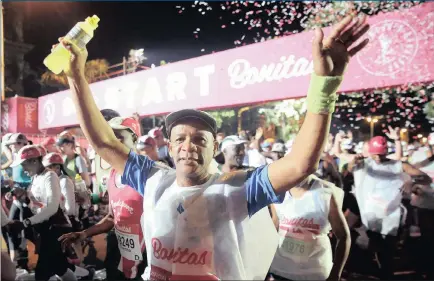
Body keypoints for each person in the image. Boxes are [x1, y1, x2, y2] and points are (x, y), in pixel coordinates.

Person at [57, 14, 369, 279]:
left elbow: (301, 164)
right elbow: (103, 141)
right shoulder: (154, 180)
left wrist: (324, 84)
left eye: (199, 139)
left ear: (214, 145)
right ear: (169, 144)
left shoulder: (236, 189)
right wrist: (74, 75)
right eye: (179, 138)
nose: (187, 146)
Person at [60, 117, 148, 281]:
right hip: (118, 247)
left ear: (134, 138)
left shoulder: (150, 173)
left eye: (119, 137)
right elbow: (113, 216)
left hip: (145, 255)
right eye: (109, 138)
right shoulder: (114, 174)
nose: (112, 143)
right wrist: (84, 233)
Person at [348, 136, 432, 279]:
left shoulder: (399, 165)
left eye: (381, 154)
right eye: (375, 154)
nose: (378, 157)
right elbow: (350, 169)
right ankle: (382, 271)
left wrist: (411, 181)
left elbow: (425, 178)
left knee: (388, 248)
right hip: (371, 215)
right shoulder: (364, 164)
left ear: (386, 152)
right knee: (375, 245)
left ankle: (387, 273)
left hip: (391, 215)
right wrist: (352, 162)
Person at [7, 145, 77, 281]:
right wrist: (21, 195)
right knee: (59, 268)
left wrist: (26, 223)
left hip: (56, 229)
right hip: (45, 229)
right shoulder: (35, 178)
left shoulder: (49, 176)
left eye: (24, 164)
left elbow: (52, 207)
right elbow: (36, 204)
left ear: (34, 161)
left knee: (42, 271)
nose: (23, 169)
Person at [269, 175, 349, 281]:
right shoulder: (277, 192)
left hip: (314, 273)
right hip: (280, 270)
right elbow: (274, 229)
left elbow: (343, 237)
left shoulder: (324, 193)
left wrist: (335, 275)